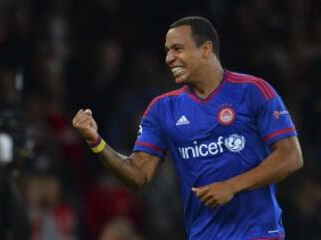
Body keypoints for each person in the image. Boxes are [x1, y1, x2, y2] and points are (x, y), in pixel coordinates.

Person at [72, 16, 303, 240]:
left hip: (257, 234)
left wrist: (232, 186)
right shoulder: (163, 109)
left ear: (205, 49)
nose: (169, 58)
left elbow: (291, 156)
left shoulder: (253, 91)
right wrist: (96, 141)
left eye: (177, 49)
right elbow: (138, 174)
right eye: (167, 51)